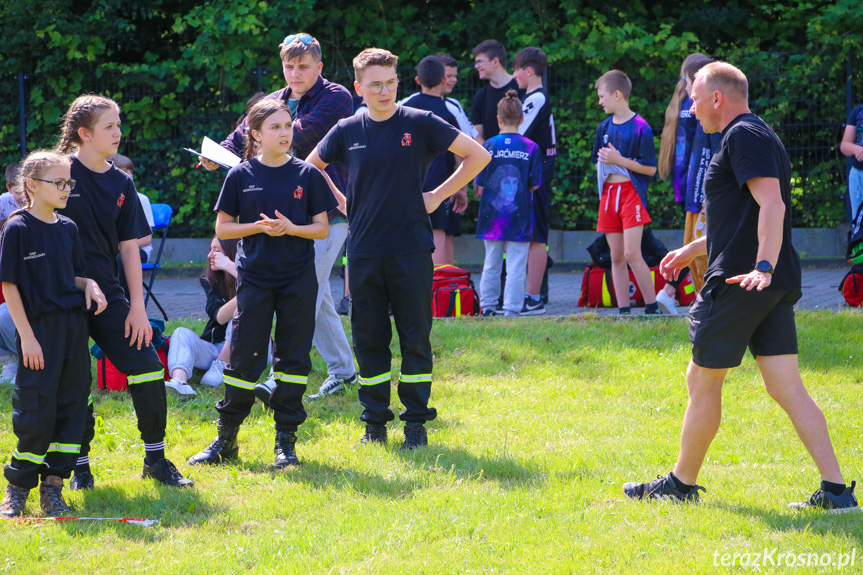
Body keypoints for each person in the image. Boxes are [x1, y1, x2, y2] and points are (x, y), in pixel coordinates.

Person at [624, 62, 859, 512]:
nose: (690, 107)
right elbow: (742, 217)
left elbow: (772, 204)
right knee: (786, 387)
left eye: (694, 97)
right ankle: (837, 493)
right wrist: (693, 249)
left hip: (742, 280)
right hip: (762, 281)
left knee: (702, 378)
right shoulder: (756, 133)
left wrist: (763, 265)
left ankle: (680, 484)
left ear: (717, 97)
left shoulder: (741, 135)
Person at [308, 48, 490, 449]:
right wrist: (339, 199)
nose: (385, 91)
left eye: (390, 82)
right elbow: (309, 167)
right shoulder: (346, 128)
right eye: (375, 84)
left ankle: (416, 424)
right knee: (370, 340)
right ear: (358, 88)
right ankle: (374, 423)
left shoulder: (421, 122)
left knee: (414, 338)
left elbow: (479, 155)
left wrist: (438, 196)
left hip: (411, 249)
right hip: (364, 252)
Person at [203, 33, 357, 402]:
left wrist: (260, 140)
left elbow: (298, 138)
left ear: (319, 67)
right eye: (289, 66)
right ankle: (345, 371)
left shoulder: (336, 97)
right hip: (274, 219)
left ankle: (279, 377)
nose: (295, 73)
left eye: (303, 66)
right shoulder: (273, 102)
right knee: (316, 296)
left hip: (326, 213)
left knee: (307, 293)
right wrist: (215, 155)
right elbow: (239, 136)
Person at [189, 98, 337, 468]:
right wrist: (256, 227)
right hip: (254, 278)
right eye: (275, 127)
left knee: (292, 359)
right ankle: (226, 441)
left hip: (298, 280)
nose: (285, 133)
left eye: (287, 125)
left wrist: (291, 229)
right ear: (255, 134)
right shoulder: (240, 175)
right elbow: (223, 228)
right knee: (243, 358)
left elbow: (321, 229)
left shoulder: (308, 174)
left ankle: (285, 443)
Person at [55, 95, 192, 489]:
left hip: (110, 295)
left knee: (148, 366)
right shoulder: (59, 175)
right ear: (84, 134)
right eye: (110, 126)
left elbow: (130, 247)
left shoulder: (121, 181)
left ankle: (156, 461)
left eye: (119, 124)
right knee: (75, 379)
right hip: (61, 296)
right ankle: (78, 467)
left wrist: (136, 307)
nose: (119, 132)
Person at [0, 150, 107, 518]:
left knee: (72, 407)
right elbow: (10, 286)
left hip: (73, 330)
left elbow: (72, 277)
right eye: (58, 183)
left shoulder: (68, 228)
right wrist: (26, 337)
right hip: (38, 332)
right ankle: (17, 488)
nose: (66, 189)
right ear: (32, 185)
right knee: (36, 409)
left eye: (69, 183)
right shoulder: (17, 228)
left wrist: (89, 284)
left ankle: (54, 488)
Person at [591, 70, 660, 315]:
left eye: (602, 96)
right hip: (609, 195)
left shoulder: (641, 127)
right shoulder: (603, 128)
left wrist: (620, 160)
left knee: (632, 253)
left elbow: (651, 169)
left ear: (617, 95)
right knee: (616, 256)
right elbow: (599, 162)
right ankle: (623, 311)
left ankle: (652, 308)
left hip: (631, 194)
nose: (599, 101)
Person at [656, 54, 719, 311]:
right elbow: (706, 151)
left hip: (690, 186)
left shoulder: (680, 102)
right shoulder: (696, 105)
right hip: (698, 187)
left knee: (694, 244)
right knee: (698, 246)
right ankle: (699, 299)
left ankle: (671, 292)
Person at [476, 91, 542, 317]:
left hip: (490, 217)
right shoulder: (531, 147)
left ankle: (487, 306)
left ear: (498, 119)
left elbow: (481, 182)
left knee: (491, 262)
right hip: (521, 216)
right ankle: (512, 309)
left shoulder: (488, 145)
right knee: (516, 264)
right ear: (522, 119)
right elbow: (534, 185)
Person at [400, 56, 462, 266]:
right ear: (443, 79)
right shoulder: (450, 110)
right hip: (439, 182)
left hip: (409, 180)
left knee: (406, 231)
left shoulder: (404, 106)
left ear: (418, 80)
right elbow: (462, 150)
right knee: (438, 233)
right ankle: (439, 289)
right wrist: (461, 187)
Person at [164, 236, 239, 396]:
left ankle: (222, 363)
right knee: (180, 333)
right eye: (210, 249)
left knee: (241, 313)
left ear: (231, 254)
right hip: (214, 346)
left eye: (216, 251)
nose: (209, 255)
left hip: (244, 350)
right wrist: (246, 293)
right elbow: (219, 316)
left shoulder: (254, 274)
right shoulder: (210, 279)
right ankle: (179, 382)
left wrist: (234, 270)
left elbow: (259, 289)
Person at [512, 47, 556, 315]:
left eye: (517, 69)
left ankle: (533, 298)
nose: (514, 75)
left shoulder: (535, 98)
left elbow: (516, 131)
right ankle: (527, 295)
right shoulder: (534, 97)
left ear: (528, 71)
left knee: (538, 236)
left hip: (537, 176)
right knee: (531, 235)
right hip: (534, 175)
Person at [437, 51, 478, 264]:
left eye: (455, 75)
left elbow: (470, 144)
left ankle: (446, 289)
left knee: (447, 234)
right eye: (448, 75)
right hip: (422, 182)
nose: (452, 79)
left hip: (448, 183)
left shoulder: (453, 106)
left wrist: (463, 185)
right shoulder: (409, 103)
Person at [107, 154, 155, 296]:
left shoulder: (141, 199)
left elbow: (147, 239)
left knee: (121, 259)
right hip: (110, 248)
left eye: (131, 171)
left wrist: (120, 246)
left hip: (137, 249)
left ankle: (126, 303)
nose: (129, 175)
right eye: (124, 171)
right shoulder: (106, 198)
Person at [471, 40, 524, 144]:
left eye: (479, 62)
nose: (476, 66)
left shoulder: (521, 88)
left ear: (495, 61)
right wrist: (492, 156)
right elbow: (477, 136)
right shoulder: (480, 97)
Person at [840, 100, 863, 218]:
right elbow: (844, 145)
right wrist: (856, 150)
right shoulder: (858, 111)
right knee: (858, 223)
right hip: (858, 177)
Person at [0, 162, 24, 229]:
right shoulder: (3, 202)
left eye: (26, 191)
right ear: (8, 188)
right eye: (18, 192)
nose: (23, 196)